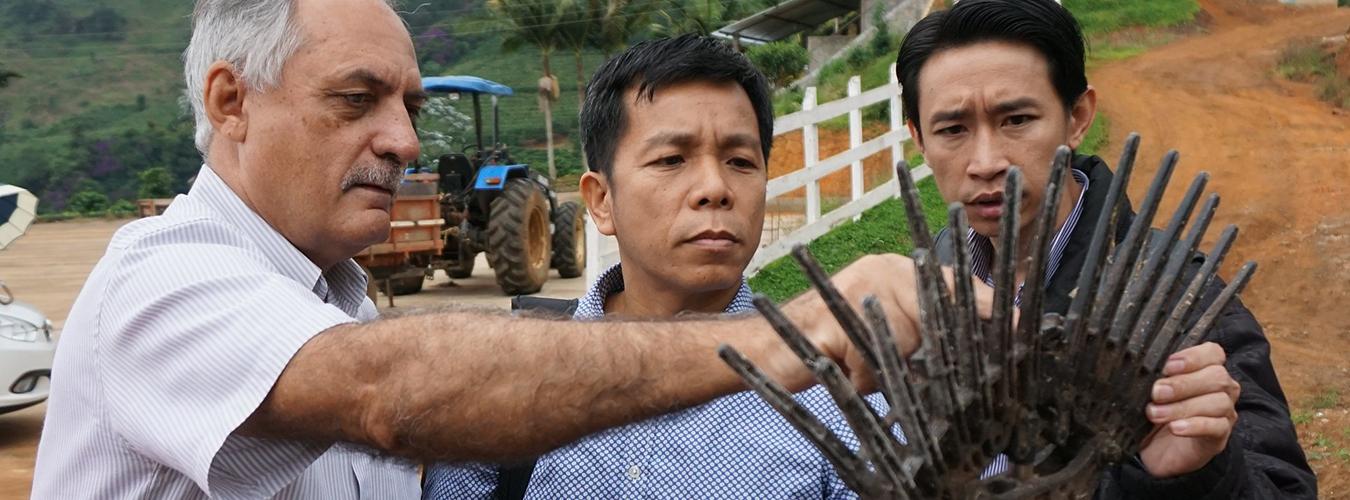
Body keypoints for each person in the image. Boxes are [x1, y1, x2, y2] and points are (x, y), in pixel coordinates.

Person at [29, 1, 940, 498]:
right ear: (231, 104)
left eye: (412, 108)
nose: (404, 142)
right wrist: (792, 336)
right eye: (357, 100)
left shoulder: (332, 299)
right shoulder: (162, 283)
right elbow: (396, 391)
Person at [423, 35, 886, 499]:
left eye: (741, 161)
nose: (715, 188)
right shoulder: (503, 383)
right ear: (601, 201)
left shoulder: (842, 400)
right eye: (671, 159)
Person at [895, 0, 1316, 497]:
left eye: (1017, 120)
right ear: (920, 140)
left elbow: (1282, 487)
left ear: (1077, 117)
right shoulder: (927, 282)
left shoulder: (1179, 299)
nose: (986, 162)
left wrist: (1196, 474)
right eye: (953, 130)